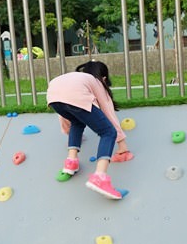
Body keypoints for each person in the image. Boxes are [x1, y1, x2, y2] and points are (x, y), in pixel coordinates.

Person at [47, 61, 134, 200]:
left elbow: (64, 112)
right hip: (70, 96)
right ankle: (100, 176)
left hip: (52, 96)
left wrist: (68, 131)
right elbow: (108, 112)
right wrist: (122, 145)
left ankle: (71, 161)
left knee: (77, 121)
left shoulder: (76, 78)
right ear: (104, 78)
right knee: (108, 132)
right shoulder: (95, 81)